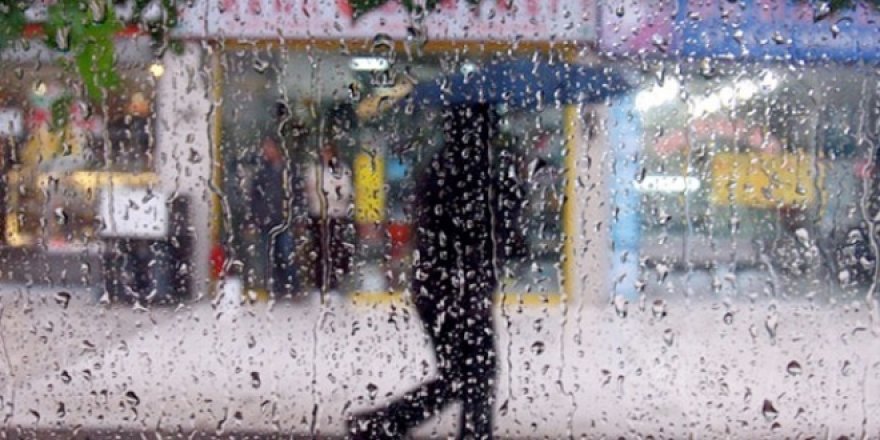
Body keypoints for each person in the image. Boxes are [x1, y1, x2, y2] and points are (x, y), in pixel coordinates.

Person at [348, 103, 526, 440]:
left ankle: (384, 423)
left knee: (465, 374)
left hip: (440, 288)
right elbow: (492, 234)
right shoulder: (474, 172)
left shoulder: (443, 167)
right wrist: (510, 194)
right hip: (459, 289)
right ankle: (386, 423)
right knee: (474, 373)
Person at [251, 135, 297, 296]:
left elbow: (296, 194)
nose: (266, 151)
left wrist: (295, 216)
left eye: (269, 147)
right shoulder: (262, 173)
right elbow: (255, 197)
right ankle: (275, 288)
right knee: (269, 257)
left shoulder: (288, 171)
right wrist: (256, 217)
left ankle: (290, 287)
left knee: (286, 254)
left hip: (284, 221)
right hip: (267, 222)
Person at [304, 143, 353, 291]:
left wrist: (325, 194)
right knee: (319, 250)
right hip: (319, 215)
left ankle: (335, 283)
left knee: (336, 249)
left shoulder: (342, 171)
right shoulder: (315, 171)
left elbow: (345, 192)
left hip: (336, 215)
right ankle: (320, 283)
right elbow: (311, 191)